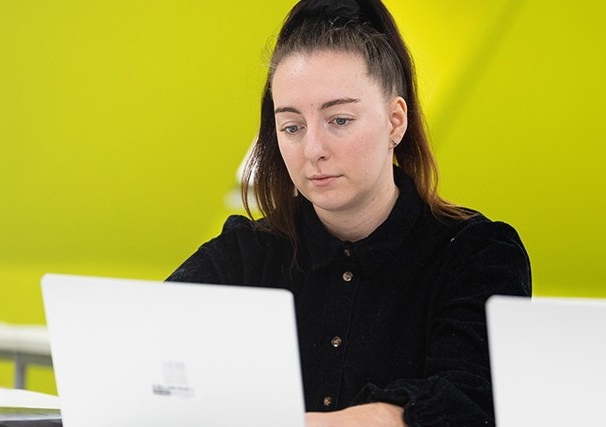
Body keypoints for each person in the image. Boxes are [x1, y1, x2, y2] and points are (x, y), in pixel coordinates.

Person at [165, 0, 531, 426]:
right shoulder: (245, 255)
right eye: (292, 127)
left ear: (396, 121)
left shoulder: (478, 255)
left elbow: (469, 400)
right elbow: (140, 352)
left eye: (339, 120)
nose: (313, 149)